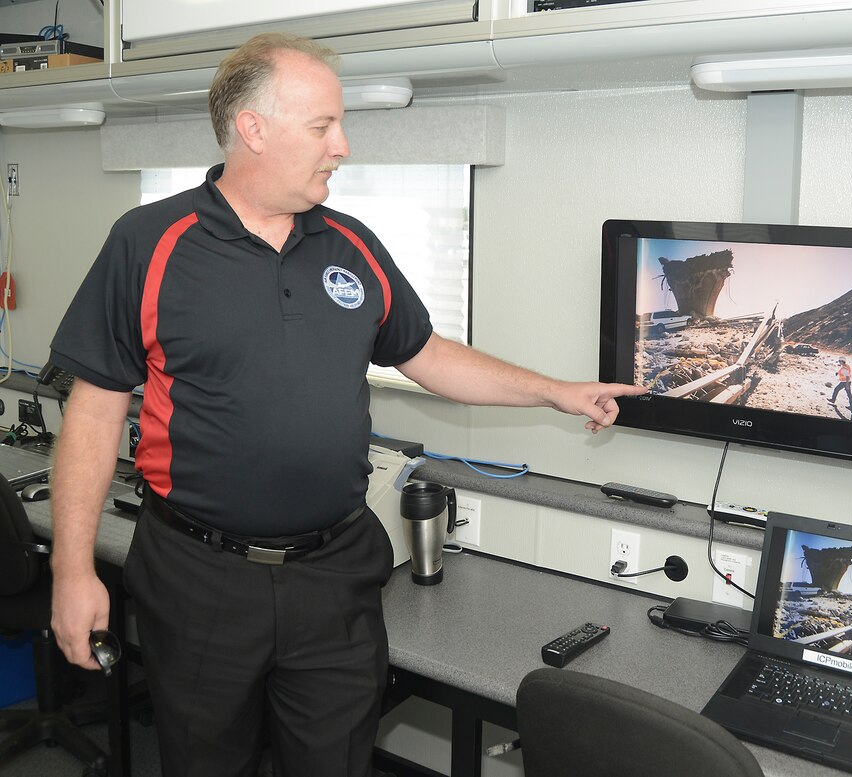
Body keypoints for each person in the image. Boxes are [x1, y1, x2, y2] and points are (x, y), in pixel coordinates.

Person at [46, 32, 645, 777]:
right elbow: (95, 410)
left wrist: (555, 391)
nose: (344, 145)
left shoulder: (351, 245)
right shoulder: (150, 241)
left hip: (334, 576)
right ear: (253, 128)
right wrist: (73, 571)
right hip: (199, 576)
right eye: (323, 125)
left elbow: (427, 354)